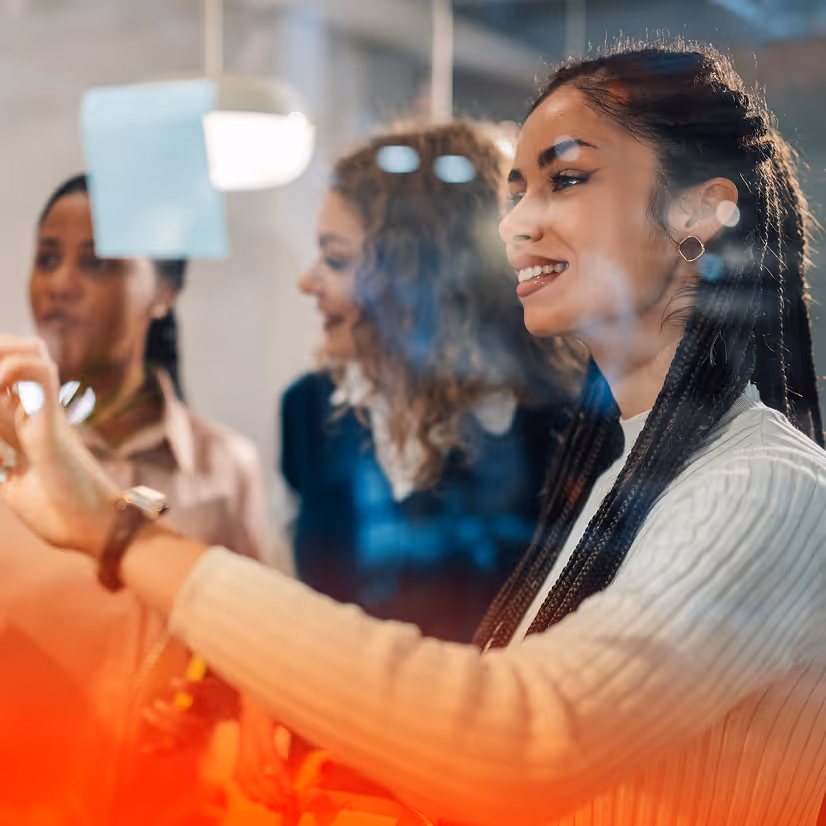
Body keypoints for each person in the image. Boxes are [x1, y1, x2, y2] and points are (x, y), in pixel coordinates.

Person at [1, 41, 825, 826]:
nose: (515, 227)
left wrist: (122, 535)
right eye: (514, 196)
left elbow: (520, 738)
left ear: (703, 211)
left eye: (565, 179)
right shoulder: (626, 472)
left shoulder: (766, 486)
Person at [0, 174, 285, 825]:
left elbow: (262, 661)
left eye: (96, 261)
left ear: (164, 290)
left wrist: (217, 700)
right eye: (47, 257)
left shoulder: (225, 470)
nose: (59, 282)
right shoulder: (7, 456)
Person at [284, 121, 580, 644]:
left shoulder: (559, 427)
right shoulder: (308, 411)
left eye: (336, 259)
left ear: (413, 275)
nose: (306, 282)